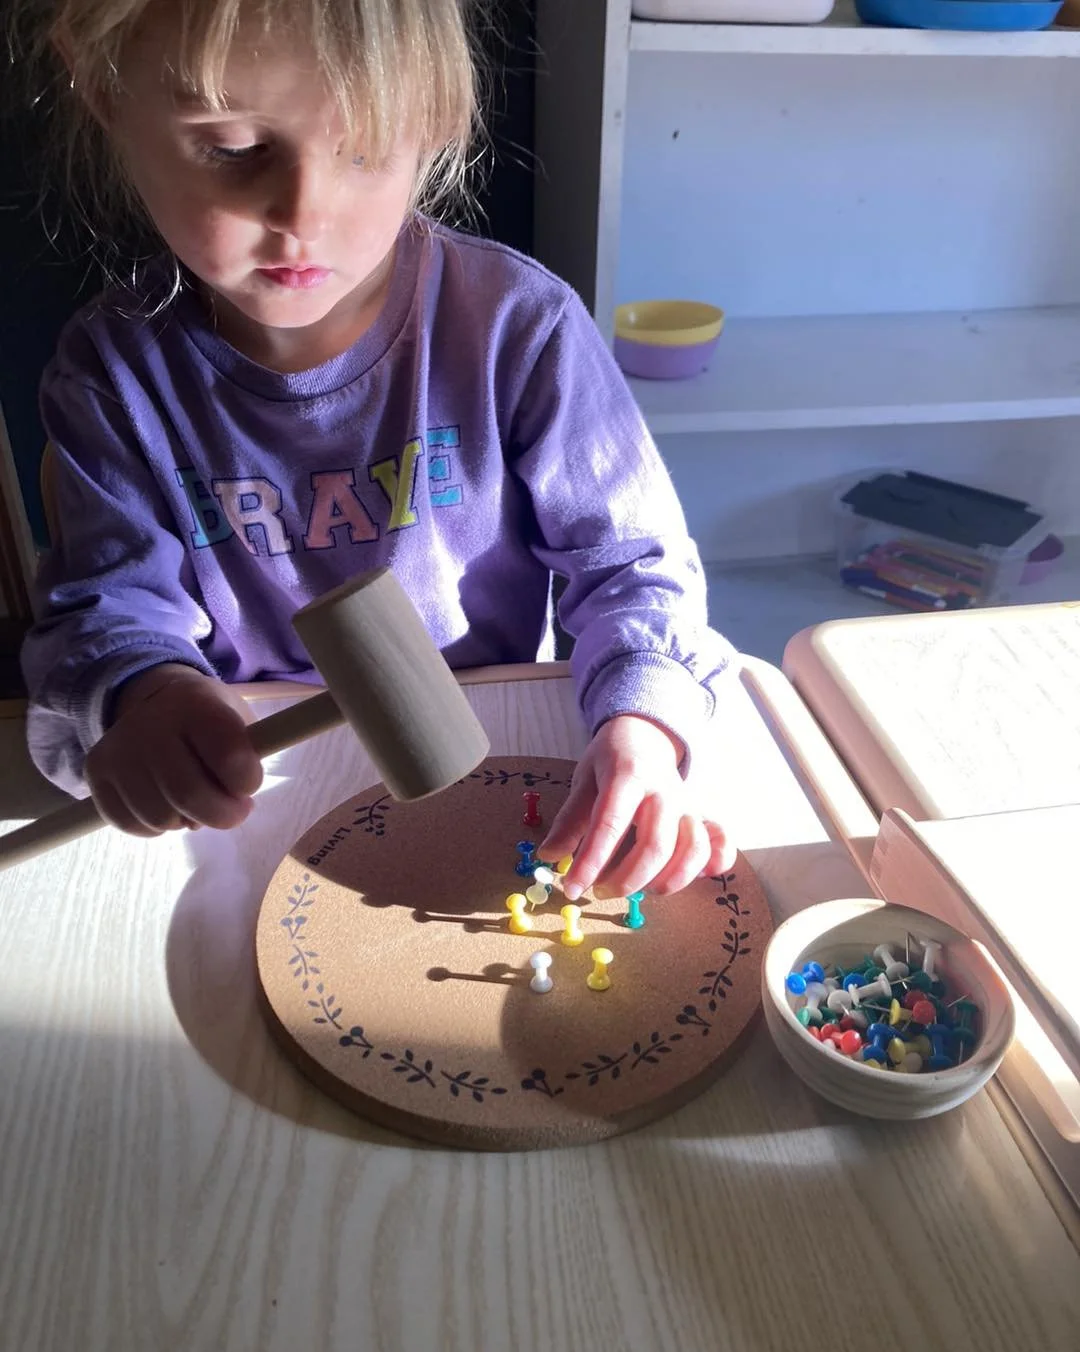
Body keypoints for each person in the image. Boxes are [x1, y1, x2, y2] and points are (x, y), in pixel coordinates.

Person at [14, 0, 740, 902]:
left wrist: (643, 724)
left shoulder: (516, 328)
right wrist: (142, 694)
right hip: (248, 801)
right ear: (101, 92)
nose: (301, 215)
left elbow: (636, 569)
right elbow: (107, 612)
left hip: (483, 771)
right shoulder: (111, 377)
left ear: (432, 122)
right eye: (233, 147)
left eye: (364, 146)